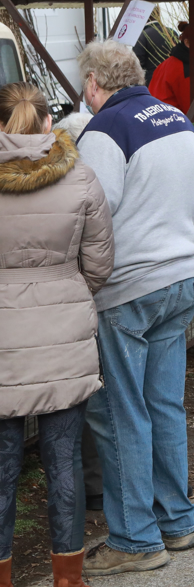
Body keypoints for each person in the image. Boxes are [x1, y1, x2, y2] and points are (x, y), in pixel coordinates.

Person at [72, 42, 194, 576]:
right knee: (165, 404)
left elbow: (92, 214)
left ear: (92, 83)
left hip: (127, 287)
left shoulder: (105, 132)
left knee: (118, 411)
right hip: (178, 276)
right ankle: (177, 520)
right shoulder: (178, 120)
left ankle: (135, 538)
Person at [0, 83, 113, 587]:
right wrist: (65, 294)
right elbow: (99, 265)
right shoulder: (82, 179)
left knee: (1, 471)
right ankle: (68, 578)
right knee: (63, 462)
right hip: (65, 340)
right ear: (51, 123)